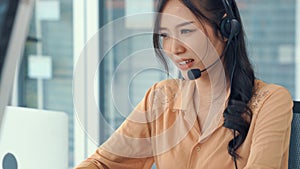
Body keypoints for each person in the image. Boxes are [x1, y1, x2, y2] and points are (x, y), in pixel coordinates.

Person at [74, 0, 293, 168]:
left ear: (226, 29)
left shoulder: (270, 101)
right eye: (165, 35)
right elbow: (103, 164)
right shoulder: (161, 98)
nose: (174, 49)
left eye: (186, 31)